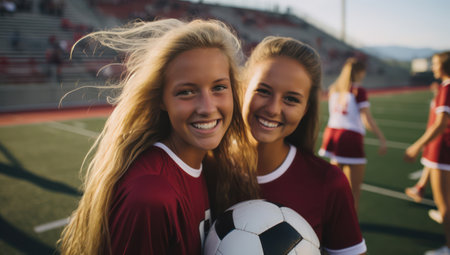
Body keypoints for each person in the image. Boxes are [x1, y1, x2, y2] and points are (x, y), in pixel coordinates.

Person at [59, 19, 259, 255]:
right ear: (162, 100)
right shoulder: (151, 194)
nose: (207, 107)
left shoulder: (207, 166)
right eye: (186, 92)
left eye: (218, 87)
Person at [242, 36, 367, 254]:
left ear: (306, 109)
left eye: (291, 99)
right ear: (243, 89)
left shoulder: (328, 182)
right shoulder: (208, 166)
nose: (273, 109)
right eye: (263, 90)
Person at [318, 58, 387, 211]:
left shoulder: (333, 88)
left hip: (332, 134)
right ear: (360, 72)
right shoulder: (358, 91)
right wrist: (381, 138)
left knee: (335, 187)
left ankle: (329, 219)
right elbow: (367, 120)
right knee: (353, 192)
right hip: (350, 137)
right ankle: (350, 226)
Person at [404, 51, 450, 255]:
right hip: (443, 148)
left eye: (435, 63)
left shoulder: (447, 88)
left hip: (443, 149)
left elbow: (440, 124)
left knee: (444, 203)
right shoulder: (443, 87)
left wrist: (416, 145)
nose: (433, 67)